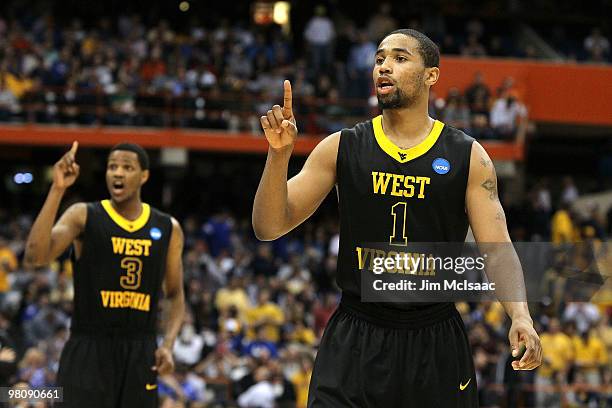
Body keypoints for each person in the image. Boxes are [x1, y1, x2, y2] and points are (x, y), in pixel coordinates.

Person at [253, 28, 542, 407]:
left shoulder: (468, 156)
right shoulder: (342, 146)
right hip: (357, 333)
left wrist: (520, 315)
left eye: (400, 58)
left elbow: (497, 247)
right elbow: (268, 226)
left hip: (433, 336)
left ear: (431, 76)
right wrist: (278, 156)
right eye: (379, 59)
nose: (384, 67)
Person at [24, 142, 185, 407]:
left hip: (141, 350)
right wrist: (58, 189)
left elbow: (176, 294)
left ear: (144, 176)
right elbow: (35, 256)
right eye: (112, 167)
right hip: (88, 347)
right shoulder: (83, 215)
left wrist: (167, 344)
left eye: (127, 167)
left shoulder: (168, 227)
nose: (118, 173)